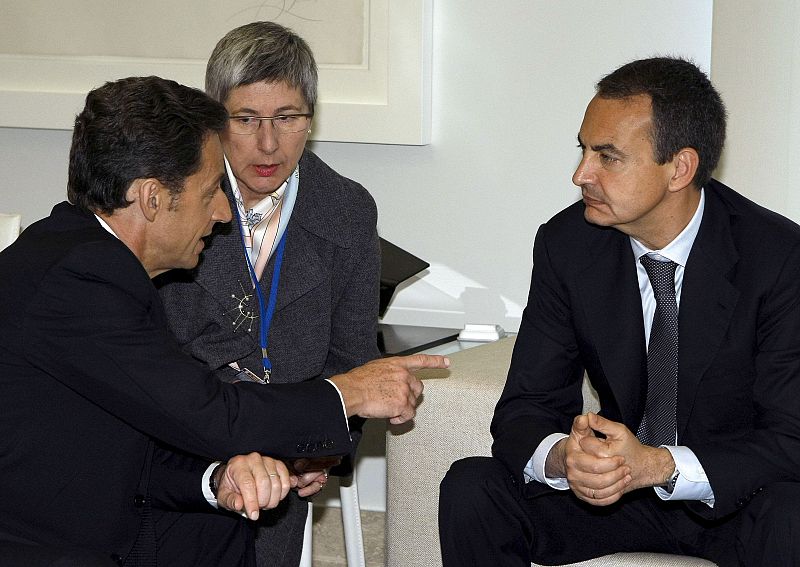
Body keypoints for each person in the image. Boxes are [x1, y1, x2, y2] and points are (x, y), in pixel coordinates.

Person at [0, 75, 447, 567]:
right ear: (152, 198)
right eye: (212, 189)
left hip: (90, 508)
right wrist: (351, 391)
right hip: (41, 544)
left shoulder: (90, 258)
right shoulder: (82, 279)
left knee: (221, 522)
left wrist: (218, 481)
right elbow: (209, 412)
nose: (223, 212)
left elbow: (143, 434)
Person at [438, 56, 800, 566]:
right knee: (473, 486)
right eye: (583, 149)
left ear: (680, 168)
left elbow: (790, 438)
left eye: (607, 157)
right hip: (614, 500)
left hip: (733, 500)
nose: (580, 174)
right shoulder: (568, 244)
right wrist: (565, 457)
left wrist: (658, 465)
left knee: (792, 514)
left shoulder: (778, 258)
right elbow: (526, 407)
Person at [155, 21, 381, 564]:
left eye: (287, 118)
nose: (268, 143)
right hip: (176, 451)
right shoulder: (170, 199)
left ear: (312, 118)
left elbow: (352, 358)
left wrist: (318, 450)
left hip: (280, 467)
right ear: (214, 118)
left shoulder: (347, 210)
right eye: (246, 119)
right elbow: (152, 348)